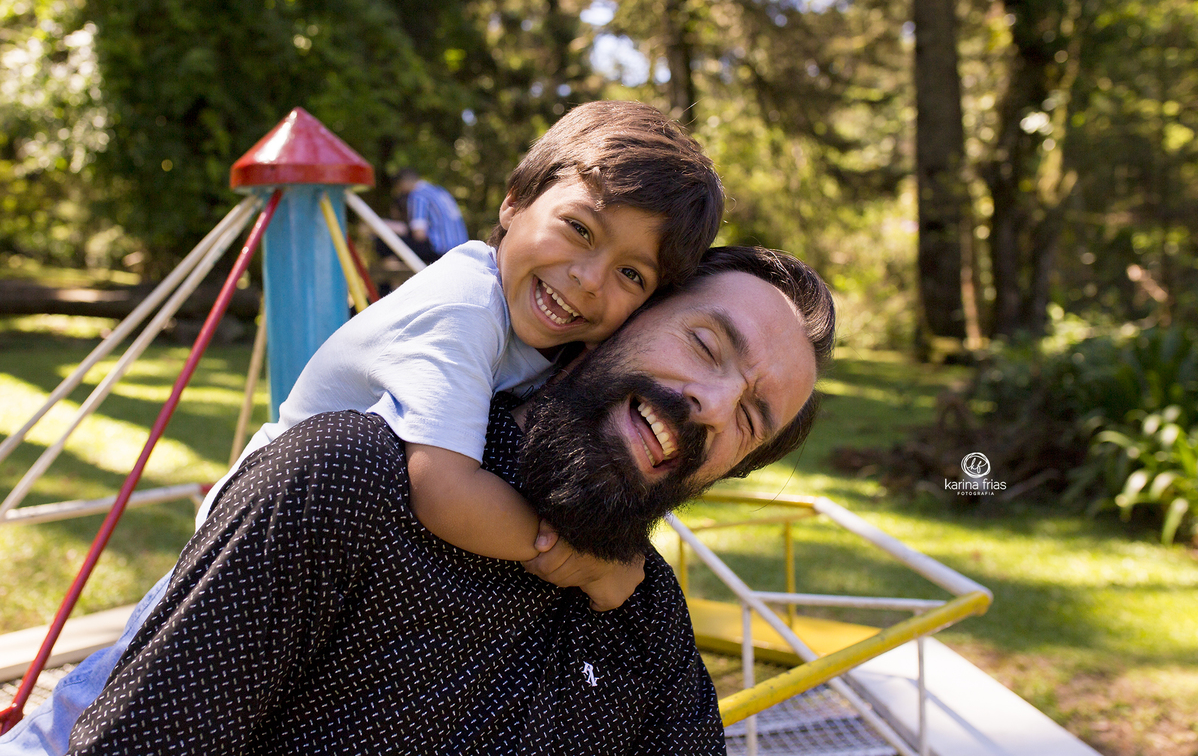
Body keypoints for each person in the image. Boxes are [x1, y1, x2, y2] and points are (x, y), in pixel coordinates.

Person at [51, 245, 835, 755]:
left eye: (750, 420)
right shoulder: (349, 481)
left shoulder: (646, 627)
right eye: (704, 344)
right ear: (615, 324)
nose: (711, 406)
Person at [193, 99, 724, 610]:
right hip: (253, 544)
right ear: (514, 202)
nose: (589, 280)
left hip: (325, 555)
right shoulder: (465, 306)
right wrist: (583, 561)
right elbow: (444, 493)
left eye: (630, 273)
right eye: (579, 228)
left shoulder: (557, 342)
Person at [393, 167, 469, 261]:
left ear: (402, 183)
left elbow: (419, 234)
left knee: (385, 244)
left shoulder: (418, 195)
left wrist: (398, 228)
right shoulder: (439, 191)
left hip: (441, 251)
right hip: (461, 250)